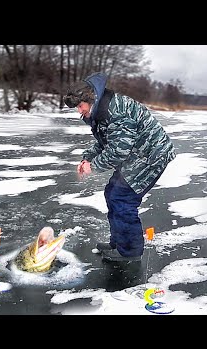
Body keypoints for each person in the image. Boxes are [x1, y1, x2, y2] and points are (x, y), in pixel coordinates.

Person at [63, 72, 175, 262]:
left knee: (122, 198)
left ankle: (129, 252)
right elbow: (105, 141)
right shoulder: (102, 110)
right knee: (112, 193)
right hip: (136, 154)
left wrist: (94, 166)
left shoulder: (117, 112)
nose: (79, 111)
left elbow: (118, 151)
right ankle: (119, 242)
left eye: (80, 106)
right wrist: (87, 158)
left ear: (91, 99)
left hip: (151, 156)